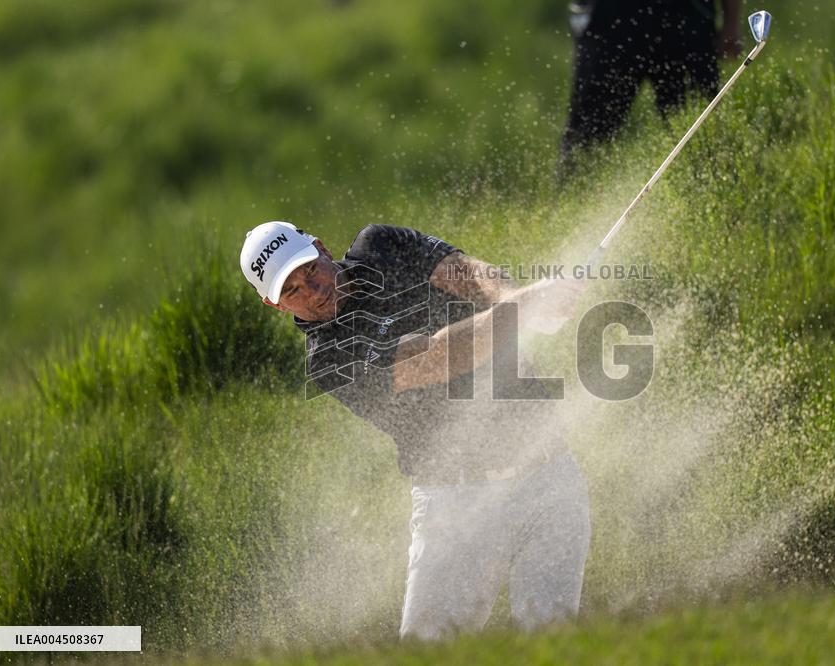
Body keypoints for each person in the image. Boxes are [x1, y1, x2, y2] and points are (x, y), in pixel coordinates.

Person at [240, 221, 591, 639]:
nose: (314, 291)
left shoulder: (380, 245)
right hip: (455, 506)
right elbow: (437, 357)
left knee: (551, 642)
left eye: (311, 270)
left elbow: (471, 275)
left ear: (321, 248)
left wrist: (517, 298)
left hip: (548, 477)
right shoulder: (330, 361)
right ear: (274, 304)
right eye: (292, 290)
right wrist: (525, 308)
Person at [560, 0, 742, 177]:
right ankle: (574, 192)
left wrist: (732, 22)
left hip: (686, 16)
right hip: (609, 16)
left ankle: (712, 193)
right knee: (587, 136)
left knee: (700, 133)